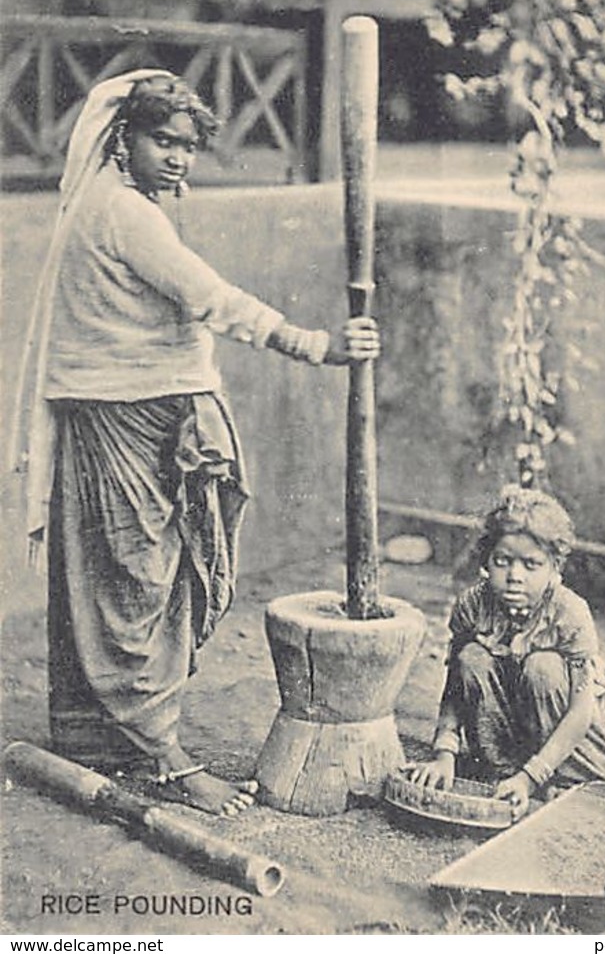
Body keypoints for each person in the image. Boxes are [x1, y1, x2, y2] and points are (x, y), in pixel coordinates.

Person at [12, 69, 380, 817]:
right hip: (124, 414)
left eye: (187, 146)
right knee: (136, 578)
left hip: (129, 407)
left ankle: (97, 739)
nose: (177, 157)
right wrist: (318, 344)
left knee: (122, 571)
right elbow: (210, 298)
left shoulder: (113, 203)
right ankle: (165, 758)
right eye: (162, 140)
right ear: (123, 137)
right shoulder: (125, 214)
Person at [407, 485, 605, 820]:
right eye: (503, 561)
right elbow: (456, 686)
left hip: (567, 735)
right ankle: (503, 769)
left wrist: (532, 777)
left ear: (554, 568)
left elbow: (581, 713)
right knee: (472, 657)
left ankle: (554, 771)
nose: (515, 577)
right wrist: (444, 752)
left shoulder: (569, 613)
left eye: (531, 564)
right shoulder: (473, 606)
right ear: (487, 562)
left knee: (546, 668)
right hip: (503, 734)